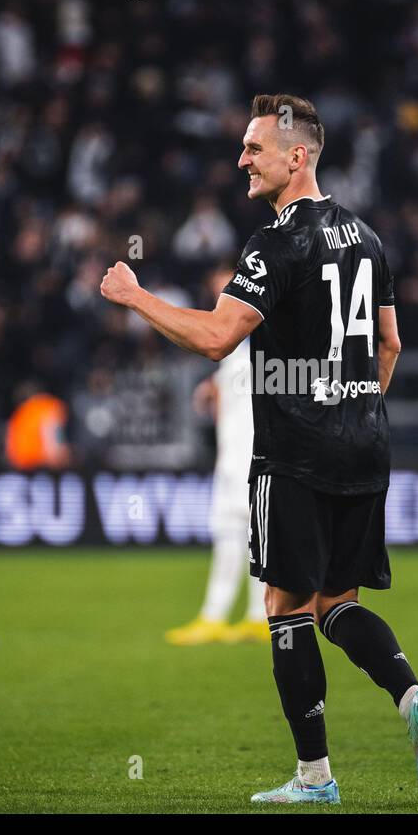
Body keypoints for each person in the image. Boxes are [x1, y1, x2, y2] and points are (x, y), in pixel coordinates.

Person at [100, 93, 418, 802]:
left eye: (254, 148)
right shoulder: (366, 237)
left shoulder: (277, 242)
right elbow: (391, 343)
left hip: (294, 452)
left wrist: (135, 296)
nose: (242, 160)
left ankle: (315, 777)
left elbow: (213, 337)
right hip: (365, 447)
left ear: (297, 156)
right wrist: (356, 409)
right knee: (337, 602)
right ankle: (413, 695)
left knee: (285, 606)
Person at [165, 266, 269, 646]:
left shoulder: (262, 338)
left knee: (250, 535)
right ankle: (232, 615)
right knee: (237, 534)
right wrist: (213, 388)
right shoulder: (238, 348)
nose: (221, 297)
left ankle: (244, 615)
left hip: (254, 456)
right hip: (232, 457)